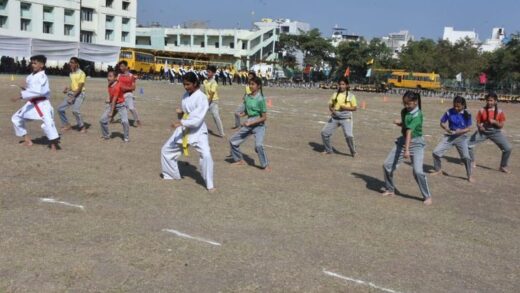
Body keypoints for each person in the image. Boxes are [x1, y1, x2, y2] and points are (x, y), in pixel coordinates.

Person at [160, 72, 215, 192]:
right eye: (184, 84)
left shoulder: (202, 98)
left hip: (198, 130)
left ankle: (210, 184)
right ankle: (171, 175)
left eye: (188, 84)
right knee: (166, 150)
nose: (185, 87)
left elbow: (197, 119)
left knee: (206, 155)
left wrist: (181, 122)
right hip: (184, 129)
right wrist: (180, 113)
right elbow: (186, 113)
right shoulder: (185, 95)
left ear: (195, 83)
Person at [382, 91, 432, 205]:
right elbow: (406, 126)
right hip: (403, 141)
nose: (406, 106)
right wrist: (400, 123)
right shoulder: (404, 111)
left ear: (415, 102)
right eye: (404, 103)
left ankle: (427, 196)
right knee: (387, 165)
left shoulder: (418, 115)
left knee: (418, 172)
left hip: (416, 144)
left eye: (408, 104)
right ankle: (390, 189)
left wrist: (407, 150)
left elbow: (410, 131)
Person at [11, 55, 60, 150]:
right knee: (16, 118)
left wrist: (20, 96)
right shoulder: (30, 76)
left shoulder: (42, 76)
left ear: (41, 65)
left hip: (42, 103)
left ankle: (54, 144)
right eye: (32, 63)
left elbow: (38, 92)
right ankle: (27, 140)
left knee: (48, 122)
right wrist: (25, 89)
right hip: (32, 103)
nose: (32, 65)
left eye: (35, 63)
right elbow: (31, 89)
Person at [229, 76, 270, 171]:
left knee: (258, 145)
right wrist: (242, 114)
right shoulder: (247, 97)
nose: (250, 86)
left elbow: (264, 117)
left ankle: (265, 165)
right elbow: (248, 111)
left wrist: (252, 122)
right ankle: (238, 160)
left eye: (253, 84)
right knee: (233, 141)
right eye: (249, 84)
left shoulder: (260, 99)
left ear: (258, 86)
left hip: (259, 125)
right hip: (249, 123)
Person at [430, 96, 474, 182]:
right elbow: (442, 122)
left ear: (463, 105)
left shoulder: (467, 114)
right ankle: (438, 170)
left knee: (466, 157)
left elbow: (469, 128)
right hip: (450, 136)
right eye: (455, 106)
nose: (456, 108)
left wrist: (460, 131)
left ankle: (469, 175)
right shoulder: (449, 112)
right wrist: (446, 129)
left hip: (461, 138)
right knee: (436, 152)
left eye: (458, 106)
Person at [468, 92, 512, 173]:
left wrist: (495, 122)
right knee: (468, 145)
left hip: (495, 133)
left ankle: (503, 166)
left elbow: (501, 125)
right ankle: (472, 161)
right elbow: (478, 122)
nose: (489, 102)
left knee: (508, 148)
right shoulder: (481, 110)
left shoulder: (500, 111)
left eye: (491, 100)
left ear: (495, 101)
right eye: (488, 100)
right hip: (483, 133)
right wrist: (480, 127)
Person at [321, 77, 357, 157]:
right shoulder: (334, 94)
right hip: (335, 117)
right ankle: (328, 150)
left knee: (349, 135)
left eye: (343, 84)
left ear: (347, 85)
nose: (341, 86)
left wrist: (345, 108)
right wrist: (332, 109)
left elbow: (354, 108)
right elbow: (330, 105)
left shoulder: (351, 96)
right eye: (340, 84)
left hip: (346, 118)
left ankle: (353, 151)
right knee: (324, 133)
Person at [58, 57, 87, 133]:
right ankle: (67, 125)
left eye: (72, 62)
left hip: (80, 94)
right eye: (70, 62)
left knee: (75, 110)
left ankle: (82, 126)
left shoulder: (82, 73)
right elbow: (73, 84)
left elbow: (80, 88)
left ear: (77, 64)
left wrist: (73, 97)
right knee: (60, 109)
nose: (70, 64)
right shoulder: (71, 73)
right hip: (72, 93)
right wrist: (68, 89)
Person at [100, 70, 129, 142]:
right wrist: (109, 100)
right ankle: (106, 135)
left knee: (125, 121)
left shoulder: (117, 86)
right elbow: (112, 98)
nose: (108, 78)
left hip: (121, 105)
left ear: (116, 78)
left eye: (110, 76)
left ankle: (126, 137)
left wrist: (111, 112)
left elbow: (114, 100)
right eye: (108, 76)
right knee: (102, 120)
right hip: (112, 104)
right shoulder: (110, 85)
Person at [117, 60, 141, 127]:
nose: (120, 68)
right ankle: (111, 118)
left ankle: (137, 120)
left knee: (131, 108)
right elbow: (117, 85)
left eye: (122, 66)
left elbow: (133, 88)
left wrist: (125, 88)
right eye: (120, 66)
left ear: (126, 67)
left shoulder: (131, 76)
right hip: (120, 94)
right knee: (116, 107)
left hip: (128, 94)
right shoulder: (119, 75)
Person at [203, 65, 225, 137]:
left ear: (213, 73)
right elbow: (204, 92)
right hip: (206, 101)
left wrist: (208, 103)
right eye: (207, 71)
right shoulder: (205, 81)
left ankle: (221, 133)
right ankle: (200, 130)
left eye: (209, 72)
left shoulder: (214, 83)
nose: (207, 73)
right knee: (200, 115)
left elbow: (212, 94)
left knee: (216, 117)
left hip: (213, 102)